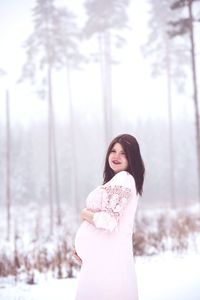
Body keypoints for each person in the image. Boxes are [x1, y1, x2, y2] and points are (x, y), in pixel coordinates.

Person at [73, 133, 145, 300]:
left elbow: (108, 220)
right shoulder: (118, 180)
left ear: (131, 157)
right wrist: (86, 251)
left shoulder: (124, 179)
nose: (116, 156)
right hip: (102, 261)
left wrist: (85, 213)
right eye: (113, 151)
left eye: (123, 153)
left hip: (108, 265)